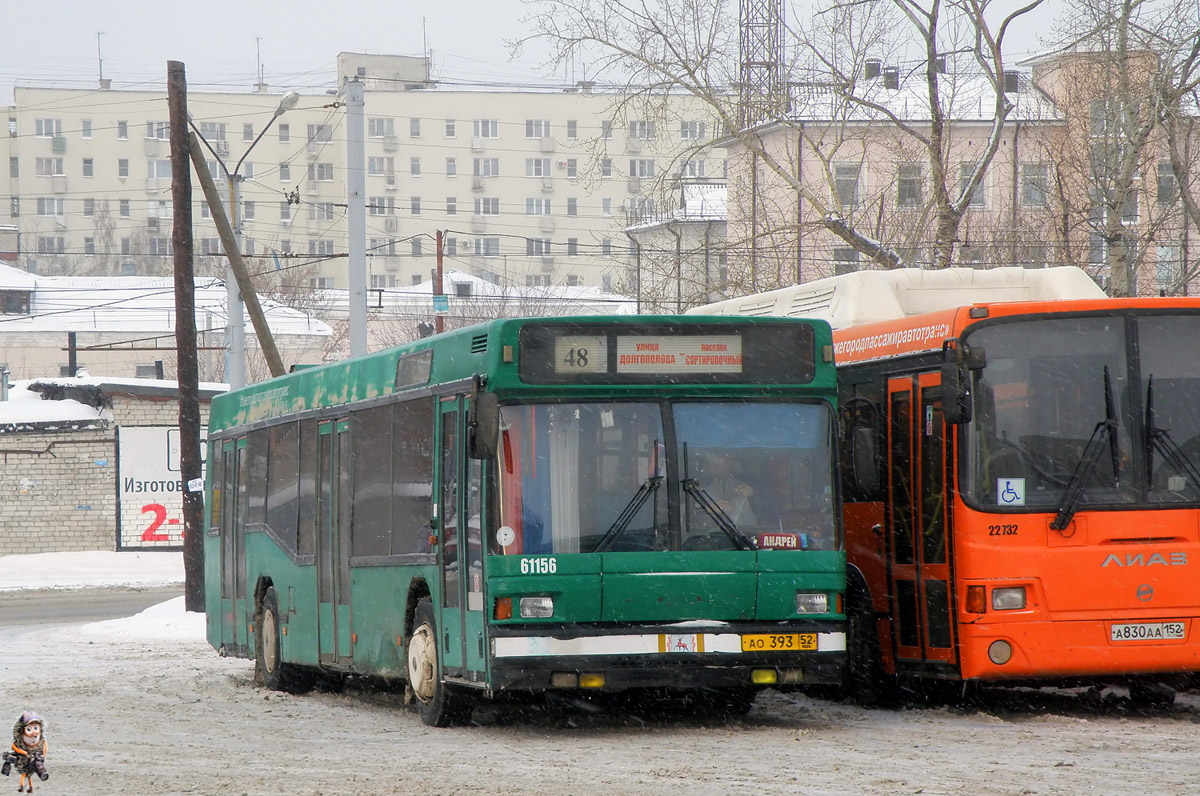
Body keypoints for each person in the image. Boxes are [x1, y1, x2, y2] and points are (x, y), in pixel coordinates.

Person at [699, 451, 756, 525]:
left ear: (730, 463)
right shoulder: (698, 486)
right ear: (707, 466)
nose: (721, 468)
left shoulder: (748, 482)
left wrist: (753, 493)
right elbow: (690, 513)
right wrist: (707, 508)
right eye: (716, 465)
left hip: (744, 532)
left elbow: (767, 510)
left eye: (725, 464)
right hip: (712, 533)